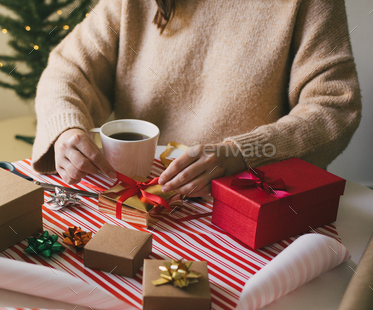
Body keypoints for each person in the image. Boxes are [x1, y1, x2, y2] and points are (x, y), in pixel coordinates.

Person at [31, 0, 361, 197]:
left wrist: (243, 152)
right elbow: (68, 70)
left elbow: (333, 106)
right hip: (139, 203)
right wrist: (65, 129)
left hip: (246, 207)